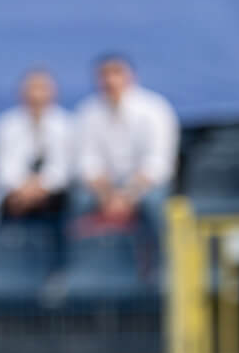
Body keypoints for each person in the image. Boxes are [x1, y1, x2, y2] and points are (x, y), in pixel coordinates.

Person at [70, 54, 179, 244]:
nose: (111, 80)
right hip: (104, 189)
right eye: (105, 75)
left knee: (155, 202)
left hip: (144, 187)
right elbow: (87, 162)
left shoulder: (156, 109)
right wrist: (107, 195)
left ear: (131, 76)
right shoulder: (87, 112)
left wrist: (127, 196)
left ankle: (161, 266)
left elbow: (158, 164)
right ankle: (81, 266)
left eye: (117, 73)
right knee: (80, 199)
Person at [0, 68, 74, 233]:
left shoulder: (66, 124)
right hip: (13, 194)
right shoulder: (6, 124)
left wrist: (39, 188)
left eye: (42, 89)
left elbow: (62, 169)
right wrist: (22, 189)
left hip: (53, 195)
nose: (37, 95)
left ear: (53, 93)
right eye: (32, 89)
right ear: (22, 93)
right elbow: (2, 169)